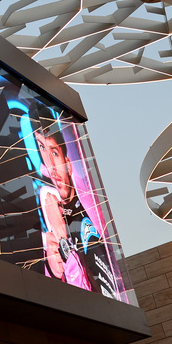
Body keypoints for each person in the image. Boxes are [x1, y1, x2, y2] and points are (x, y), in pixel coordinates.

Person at [35, 118, 118, 297]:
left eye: (54, 153)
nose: (51, 166)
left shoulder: (91, 219)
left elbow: (100, 297)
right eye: (42, 148)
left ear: (69, 162)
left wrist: (65, 248)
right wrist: (51, 266)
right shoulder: (46, 205)